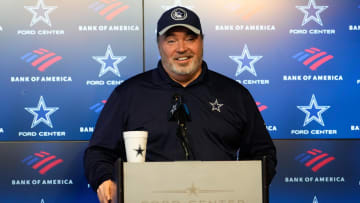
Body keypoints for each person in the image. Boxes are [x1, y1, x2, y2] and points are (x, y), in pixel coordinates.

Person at [84, 6, 277, 203]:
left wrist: (245, 188)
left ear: (202, 41)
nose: (182, 48)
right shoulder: (128, 94)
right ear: (159, 44)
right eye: (171, 40)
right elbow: (99, 153)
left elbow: (263, 154)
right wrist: (105, 179)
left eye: (190, 38)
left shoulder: (235, 94)